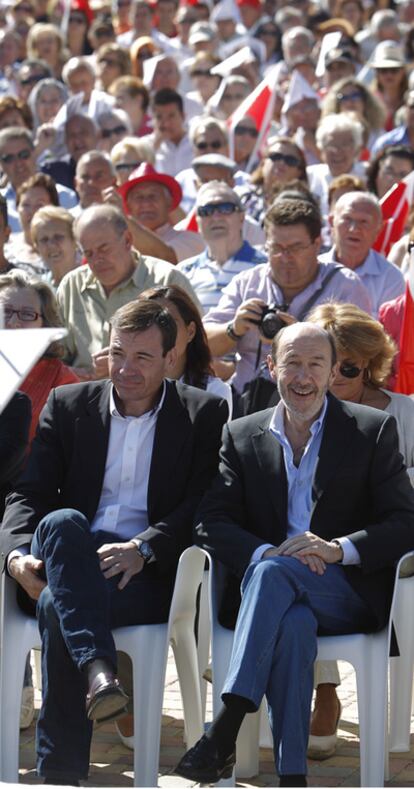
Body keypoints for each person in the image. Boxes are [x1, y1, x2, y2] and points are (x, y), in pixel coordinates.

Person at [175, 320, 414, 787]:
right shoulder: (241, 434)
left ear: (331, 373)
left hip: (344, 591)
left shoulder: (371, 430)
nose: (302, 377)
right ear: (271, 366)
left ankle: (225, 726)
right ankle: (292, 775)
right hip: (275, 600)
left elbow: (405, 523)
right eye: (292, 364)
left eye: (315, 365)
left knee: (272, 577)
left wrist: (336, 550)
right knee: (290, 615)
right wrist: (268, 552)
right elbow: (210, 521)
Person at [0, 297, 228, 785]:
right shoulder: (69, 403)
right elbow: (28, 492)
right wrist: (16, 557)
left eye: (142, 357)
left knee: (55, 609)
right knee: (61, 520)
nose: (125, 368)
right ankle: (100, 674)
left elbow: (203, 504)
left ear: (170, 360)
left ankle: (60, 773)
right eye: (117, 353)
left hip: (142, 571)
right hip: (69, 553)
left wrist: (144, 548)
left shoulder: (202, 413)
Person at [306, 301, 414, 758]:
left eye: (345, 368)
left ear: (370, 364)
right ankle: (325, 692)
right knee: (303, 563)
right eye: (323, 365)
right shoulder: (302, 409)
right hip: (325, 549)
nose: (332, 380)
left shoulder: (407, 413)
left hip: (396, 544)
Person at [203, 197, 372, 394]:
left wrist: (302, 338)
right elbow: (201, 345)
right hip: (249, 405)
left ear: (317, 244)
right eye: (276, 248)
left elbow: (360, 357)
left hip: (316, 404)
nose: (285, 257)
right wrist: (233, 328)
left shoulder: (345, 285)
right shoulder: (248, 283)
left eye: (295, 248)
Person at [56, 203, 200, 377]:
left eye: (104, 249)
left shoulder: (167, 280)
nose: (97, 260)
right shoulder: (71, 285)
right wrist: (71, 374)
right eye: (89, 253)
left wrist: (126, 360)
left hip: (156, 395)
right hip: (86, 395)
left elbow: (196, 348)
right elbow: (57, 354)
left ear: (127, 240)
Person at [0, 269, 79, 443]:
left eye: (27, 314)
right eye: (5, 311)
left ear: (44, 324)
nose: (14, 323)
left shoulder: (62, 381)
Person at [178, 182, 266, 313]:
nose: (216, 217)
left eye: (225, 208)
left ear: (242, 217)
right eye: (206, 211)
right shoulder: (183, 273)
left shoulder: (265, 267)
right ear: (197, 221)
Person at [319, 191, 405, 316]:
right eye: (347, 219)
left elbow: (391, 332)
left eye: (364, 222)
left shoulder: (391, 278)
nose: (354, 229)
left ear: (379, 229)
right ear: (332, 222)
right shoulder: (313, 269)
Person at [118, 162, 205, 264]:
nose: (146, 203)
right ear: (128, 205)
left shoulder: (191, 239)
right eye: (138, 197)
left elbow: (163, 258)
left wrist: (122, 218)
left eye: (153, 196)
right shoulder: (118, 243)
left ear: (169, 202)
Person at [31, 205, 79, 287]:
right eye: (44, 240)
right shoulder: (36, 290)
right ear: (37, 247)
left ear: (75, 240)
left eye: (58, 237)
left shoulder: (95, 282)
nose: (51, 245)